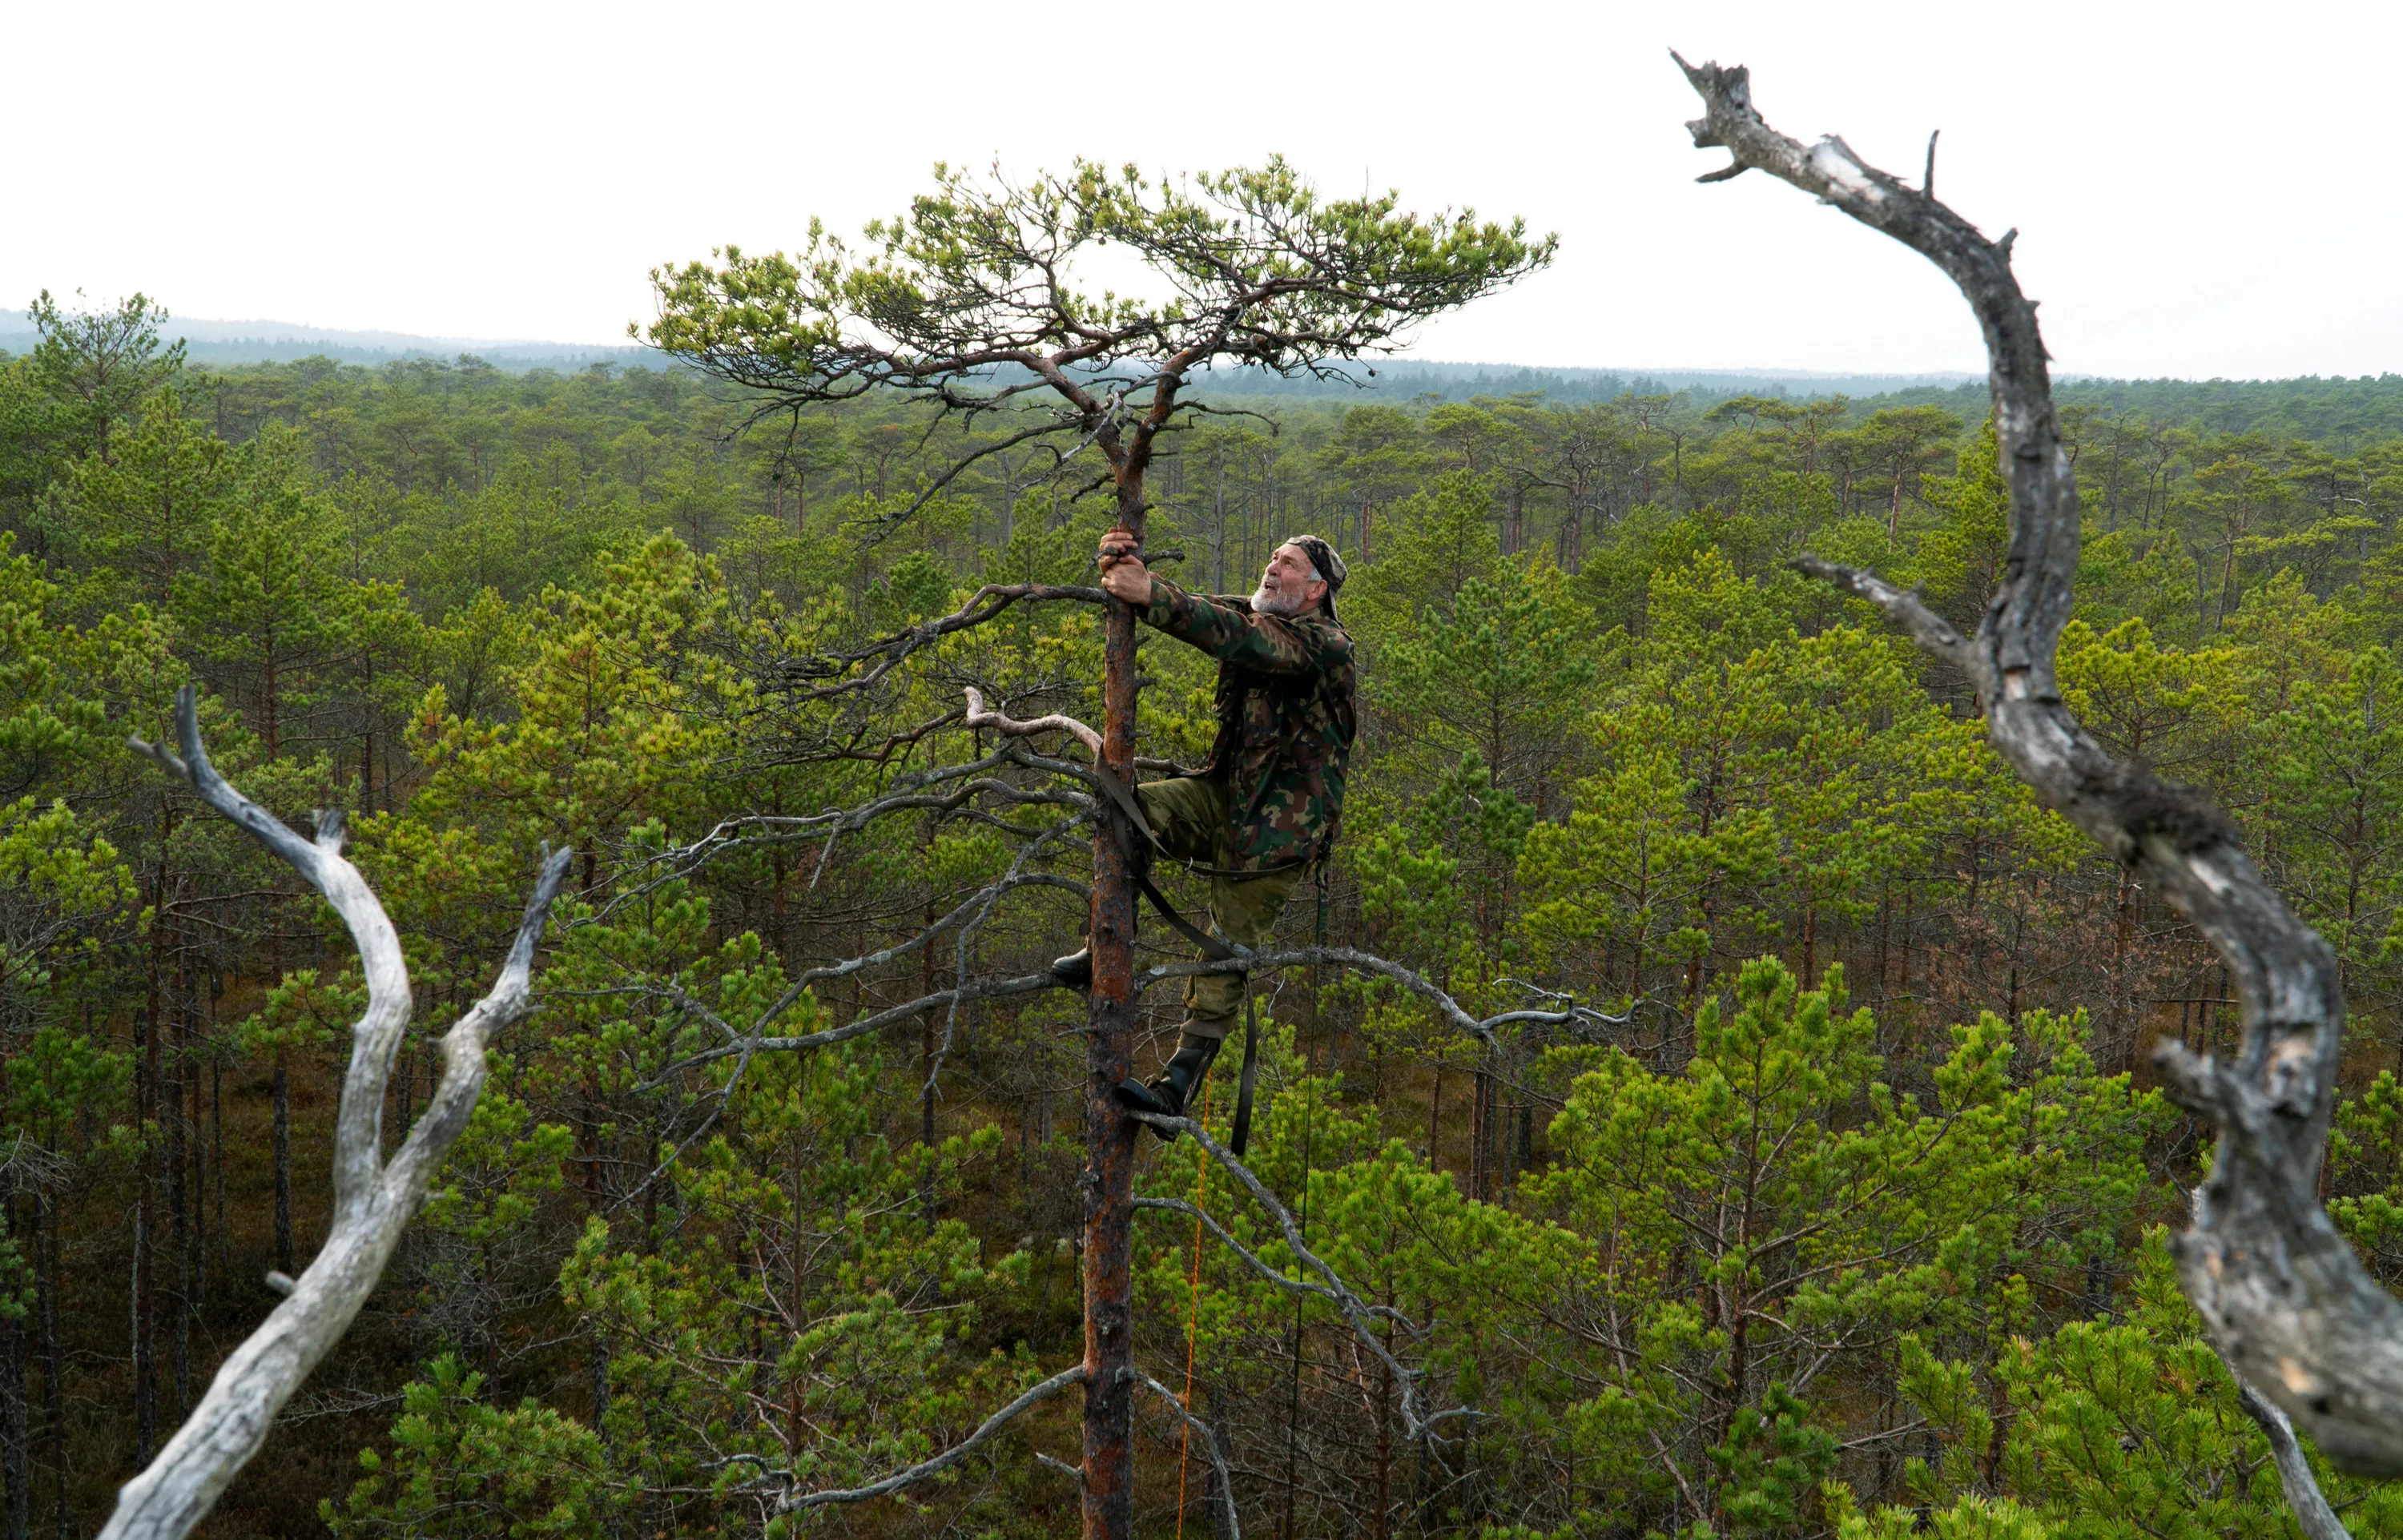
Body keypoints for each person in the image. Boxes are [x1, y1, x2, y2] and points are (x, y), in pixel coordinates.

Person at [1052, 532, 1358, 1129]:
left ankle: (1177, 1090)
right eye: (1271, 555)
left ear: (1317, 589)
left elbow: (1239, 637)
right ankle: (1107, 944)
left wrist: (1151, 596)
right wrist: (1132, 573)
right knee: (1130, 811)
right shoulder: (1261, 613)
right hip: (1227, 800)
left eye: (1288, 563)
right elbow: (1210, 610)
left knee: (1224, 952)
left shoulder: (1327, 645)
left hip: (1278, 841)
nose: (1272, 566)